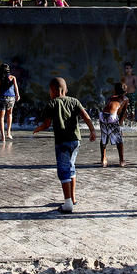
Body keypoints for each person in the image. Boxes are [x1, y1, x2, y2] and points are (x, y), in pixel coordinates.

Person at [33, 77, 97, 214]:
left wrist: (38, 129)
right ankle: (73, 198)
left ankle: (67, 203)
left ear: (54, 90)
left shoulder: (52, 103)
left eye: (49, 90)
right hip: (76, 141)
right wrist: (92, 130)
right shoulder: (75, 101)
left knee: (63, 171)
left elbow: (47, 124)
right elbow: (86, 116)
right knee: (71, 167)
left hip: (62, 142)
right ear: (66, 90)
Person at [99, 82, 129, 167]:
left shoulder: (110, 98)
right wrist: (119, 126)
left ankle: (103, 159)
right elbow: (123, 113)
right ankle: (122, 160)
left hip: (102, 115)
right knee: (119, 140)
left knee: (104, 137)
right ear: (125, 92)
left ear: (114, 90)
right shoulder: (125, 99)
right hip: (112, 116)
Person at [0, 62, 19, 142]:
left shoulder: (0, 80)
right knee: (10, 114)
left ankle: (3, 137)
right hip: (11, 98)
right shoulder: (13, 78)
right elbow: (16, 87)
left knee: (1, 117)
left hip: (2, 98)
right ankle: (8, 133)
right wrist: (17, 95)